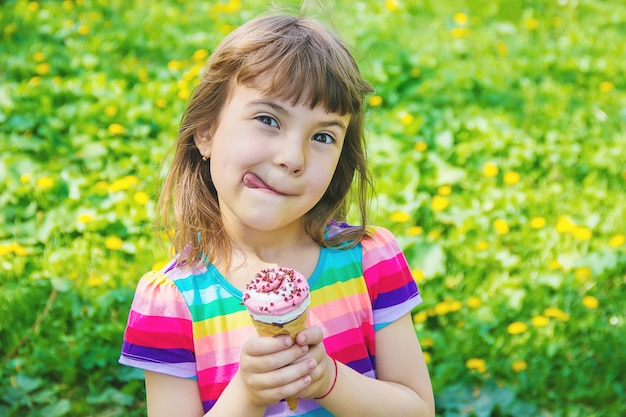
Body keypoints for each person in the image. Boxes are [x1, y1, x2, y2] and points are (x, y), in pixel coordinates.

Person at [119, 10, 434, 417]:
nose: (292, 158)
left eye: (322, 136)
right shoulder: (171, 303)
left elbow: (418, 410)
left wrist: (329, 380)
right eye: (268, 119)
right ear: (206, 131)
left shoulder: (370, 260)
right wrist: (247, 396)